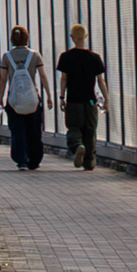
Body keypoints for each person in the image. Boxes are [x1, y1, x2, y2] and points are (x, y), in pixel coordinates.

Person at [57, 23, 111, 169]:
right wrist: (106, 99)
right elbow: (100, 81)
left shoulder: (66, 57)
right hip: (90, 100)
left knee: (74, 128)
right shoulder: (94, 58)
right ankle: (89, 161)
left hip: (73, 100)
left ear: (72, 37)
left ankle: (77, 146)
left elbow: (64, 78)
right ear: (86, 36)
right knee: (90, 130)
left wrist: (62, 97)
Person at [0, 26, 48, 171]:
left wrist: (0, 98)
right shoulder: (35, 55)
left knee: (17, 130)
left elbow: (3, 79)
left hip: (14, 100)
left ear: (12, 38)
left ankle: (21, 161)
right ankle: (34, 159)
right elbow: (43, 76)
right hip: (32, 99)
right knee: (34, 130)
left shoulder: (6, 57)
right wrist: (49, 96)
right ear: (27, 37)